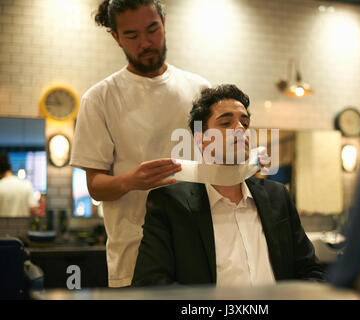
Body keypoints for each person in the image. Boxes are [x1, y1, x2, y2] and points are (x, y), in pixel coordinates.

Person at [69, 0, 210, 287]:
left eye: (152, 30)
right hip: (133, 254)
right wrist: (132, 180)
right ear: (116, 37)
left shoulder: (200, 90)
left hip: (200, 249)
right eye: (132, 36)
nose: (145, 42)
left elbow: (216, 165)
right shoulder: (100, 99)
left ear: (164, 24)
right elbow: (95, 186)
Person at [132, 85, 326, 287]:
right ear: (202, 141)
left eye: (245, 123)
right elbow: (151, 283)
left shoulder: (277, 196)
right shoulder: (170, 203)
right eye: (226, 123)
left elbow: (311, 270)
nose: (241, 129)